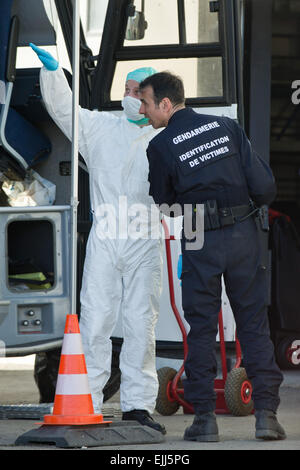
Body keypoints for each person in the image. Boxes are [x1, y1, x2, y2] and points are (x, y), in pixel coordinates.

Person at [139, 71, 286, 442]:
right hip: (243, 236)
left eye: (146, 103)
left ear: (166, 104)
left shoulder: (160, 146)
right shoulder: (226, 127)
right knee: (253, 324)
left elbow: (166, 204)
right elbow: (265, 187)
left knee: (201, 329)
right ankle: (266, 416)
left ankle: (204, 420)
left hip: (199, 238)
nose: (143, 110)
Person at [30, 43, 166, 434]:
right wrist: (54, 73)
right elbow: (64, 110)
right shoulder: (101, 126)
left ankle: (138, 405)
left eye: (137, 90)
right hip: (107, 236)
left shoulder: (165, 136)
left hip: (145, 236)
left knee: (142, 323)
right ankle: (85, 400)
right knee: (95, 320)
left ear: (152, 98)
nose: (129, 96)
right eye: (125, 88)